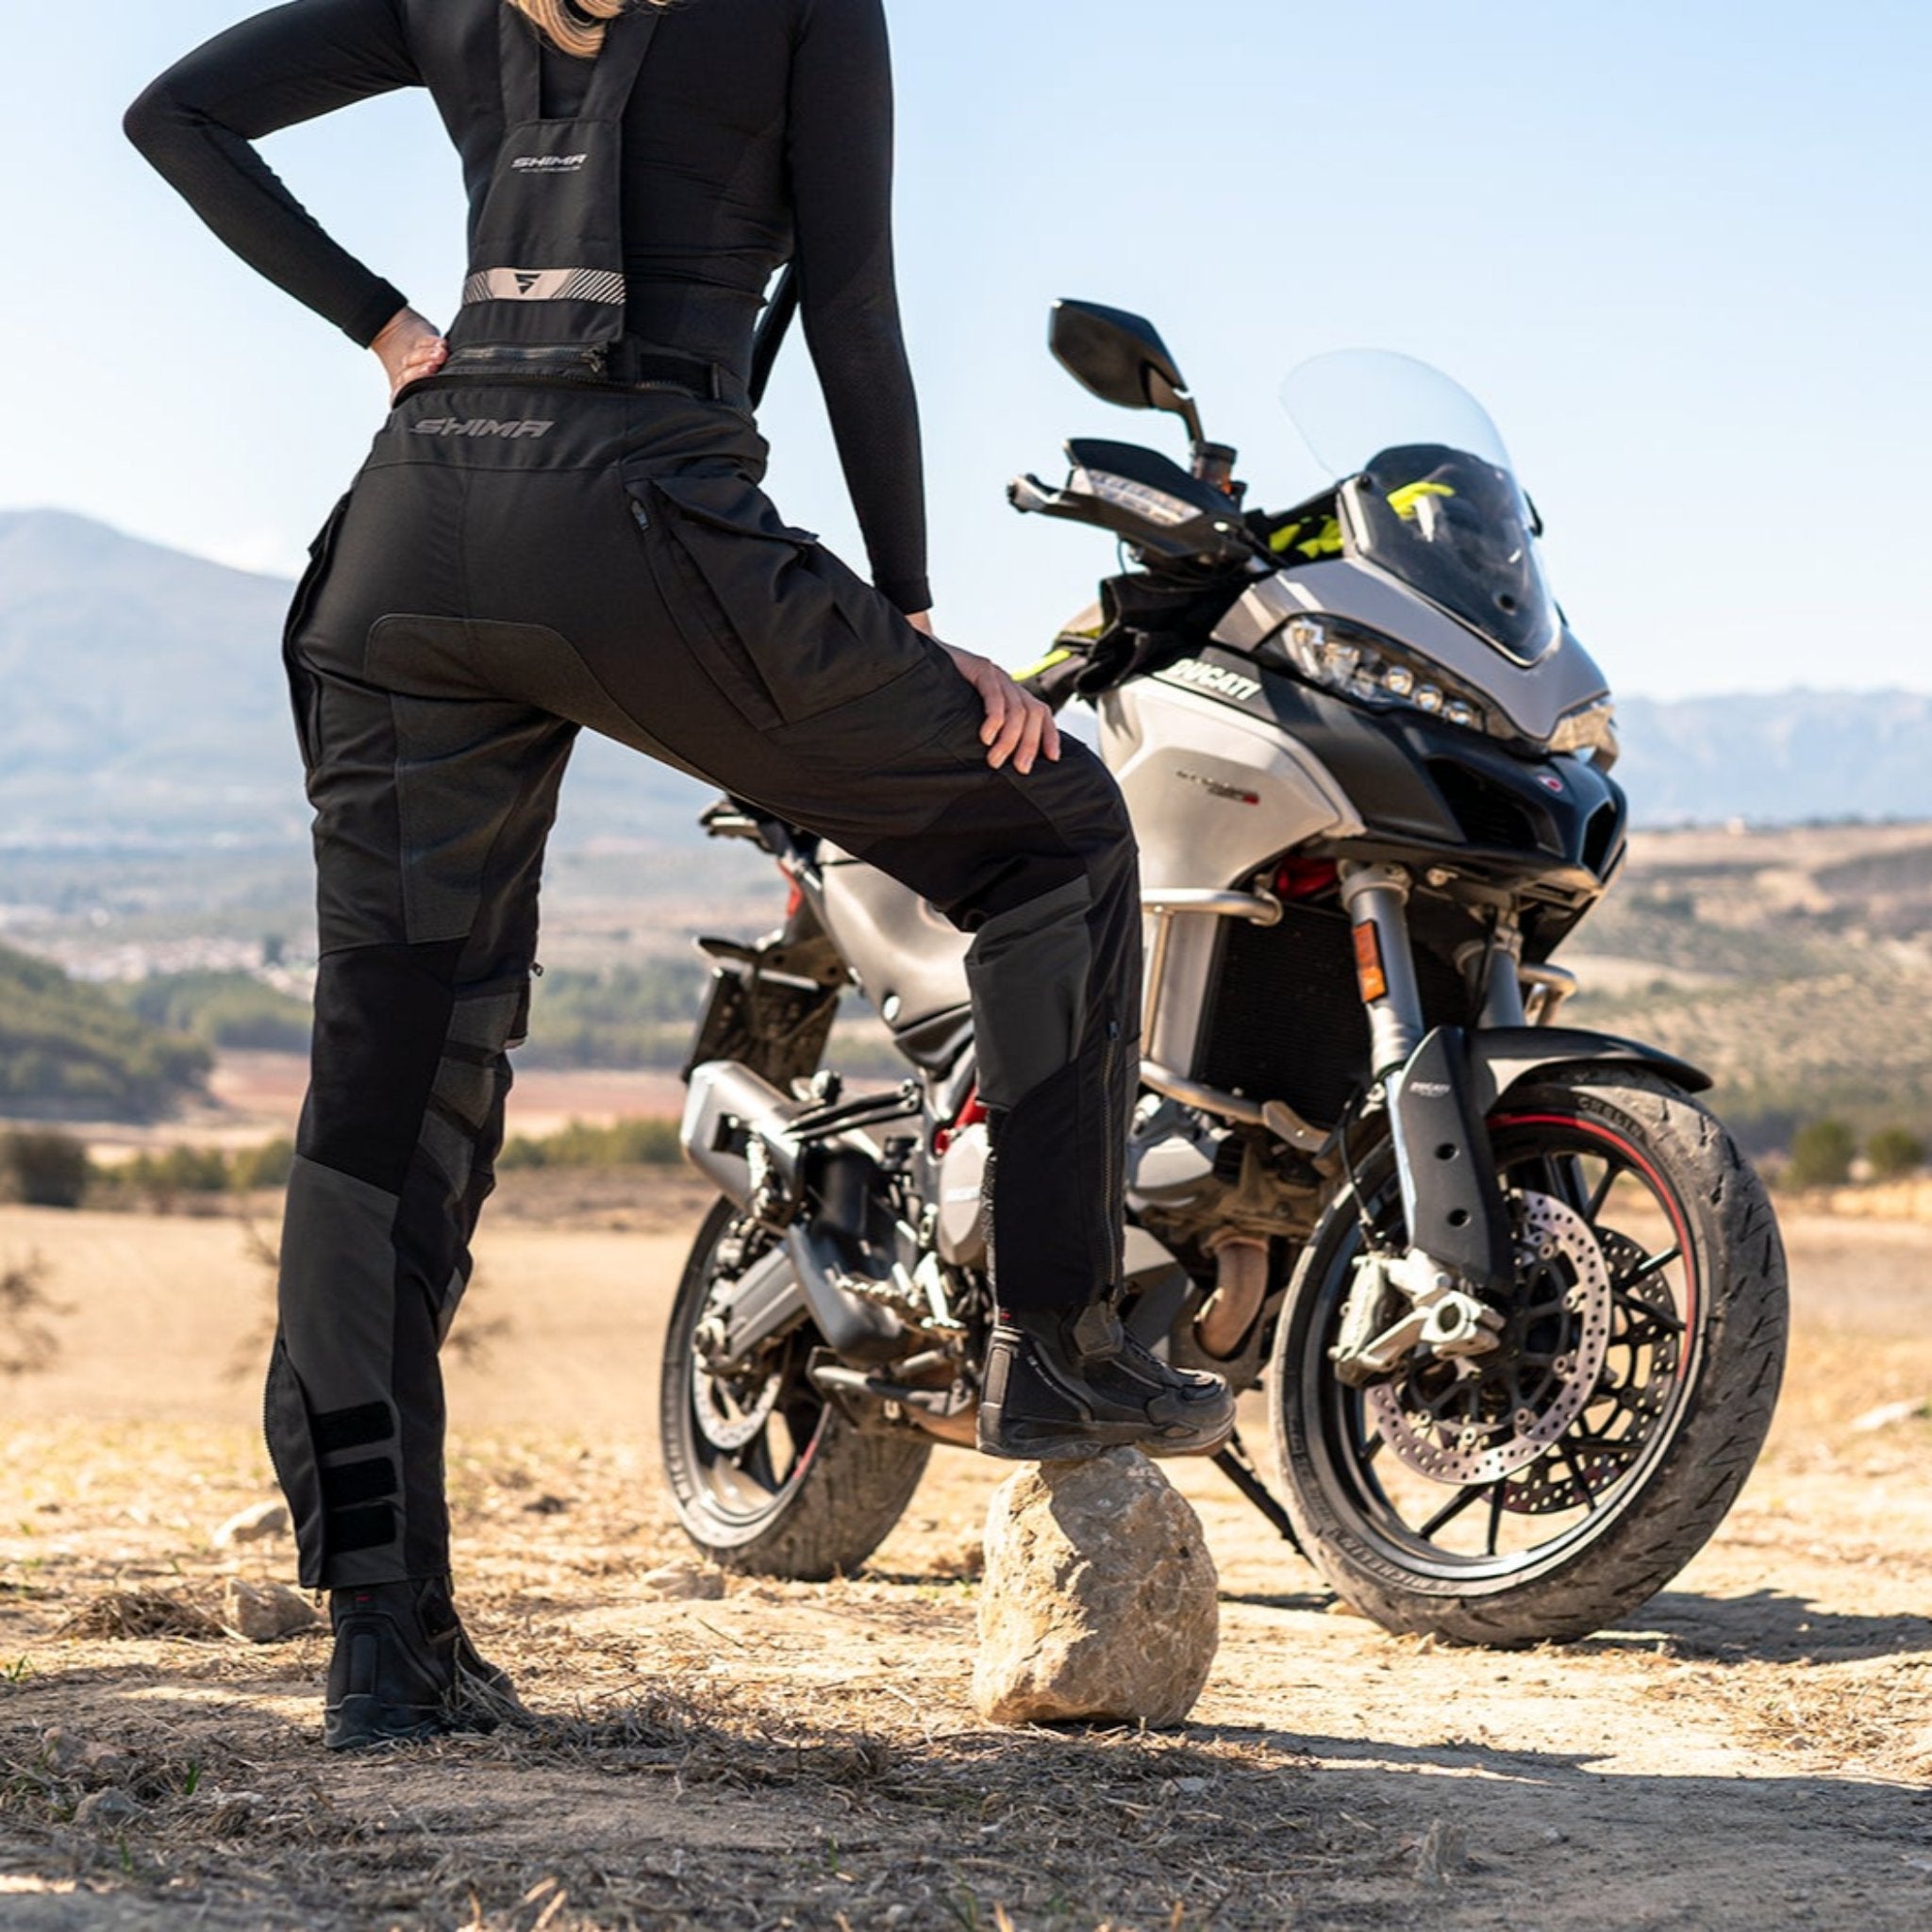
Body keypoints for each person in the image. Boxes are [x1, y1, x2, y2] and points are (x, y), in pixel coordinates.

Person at [125, 0, 1236, 1751]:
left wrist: (391, 327)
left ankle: (380, 1639)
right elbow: (854, 312)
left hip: (410, 539)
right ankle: (1056, 1343)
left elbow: (173, 115)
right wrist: (920, 622)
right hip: (642, 519)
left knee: (385, 1102)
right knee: (1056, 835)